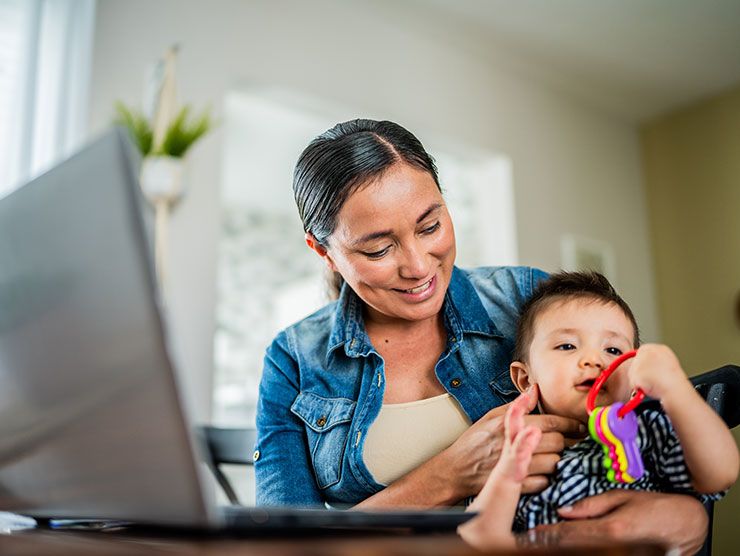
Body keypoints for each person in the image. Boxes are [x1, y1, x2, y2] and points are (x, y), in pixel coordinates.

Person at [254, 119, 710, 552]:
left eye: (430, 226)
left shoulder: (527, 298)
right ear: (324, 252)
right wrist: (446, 477)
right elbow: (285, 548)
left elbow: (652, 420)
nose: (417, 266)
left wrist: (691, 515)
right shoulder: (293, 359)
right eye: (378, 247)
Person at [459, 271, 739, 549]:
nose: (593, 359)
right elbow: (478, 538)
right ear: (524, 379)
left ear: (635, 378)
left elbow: (719, 474)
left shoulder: (648, 431)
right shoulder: (518, 454)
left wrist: (676, 390)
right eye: (567, 345)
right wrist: (507, 476)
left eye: (614, 351)